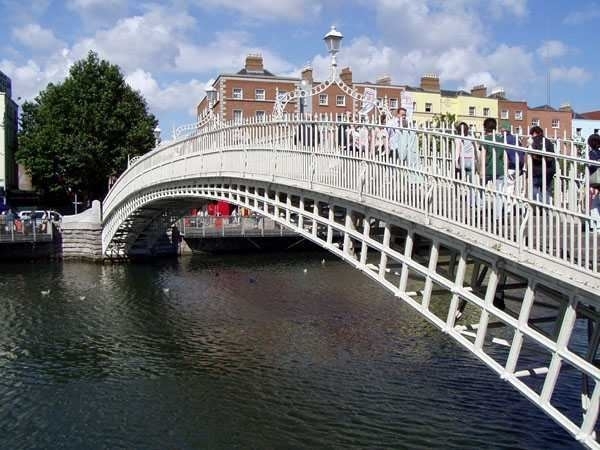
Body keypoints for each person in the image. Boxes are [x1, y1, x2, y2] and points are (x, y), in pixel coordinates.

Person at [528, 125, 555, 204]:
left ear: (534, 133)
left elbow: (533, 156)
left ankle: (541, 204)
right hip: (549, 171)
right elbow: (552, 156)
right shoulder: (548, 142)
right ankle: (547, 206)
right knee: (546, 190)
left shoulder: (533, 141)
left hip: (537, 171)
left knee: (533, 188)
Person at [587, 133, 600, 229]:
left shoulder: (591, 154)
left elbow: (592, 166)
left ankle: (595, 225)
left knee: (594, 203)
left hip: (595, 180)